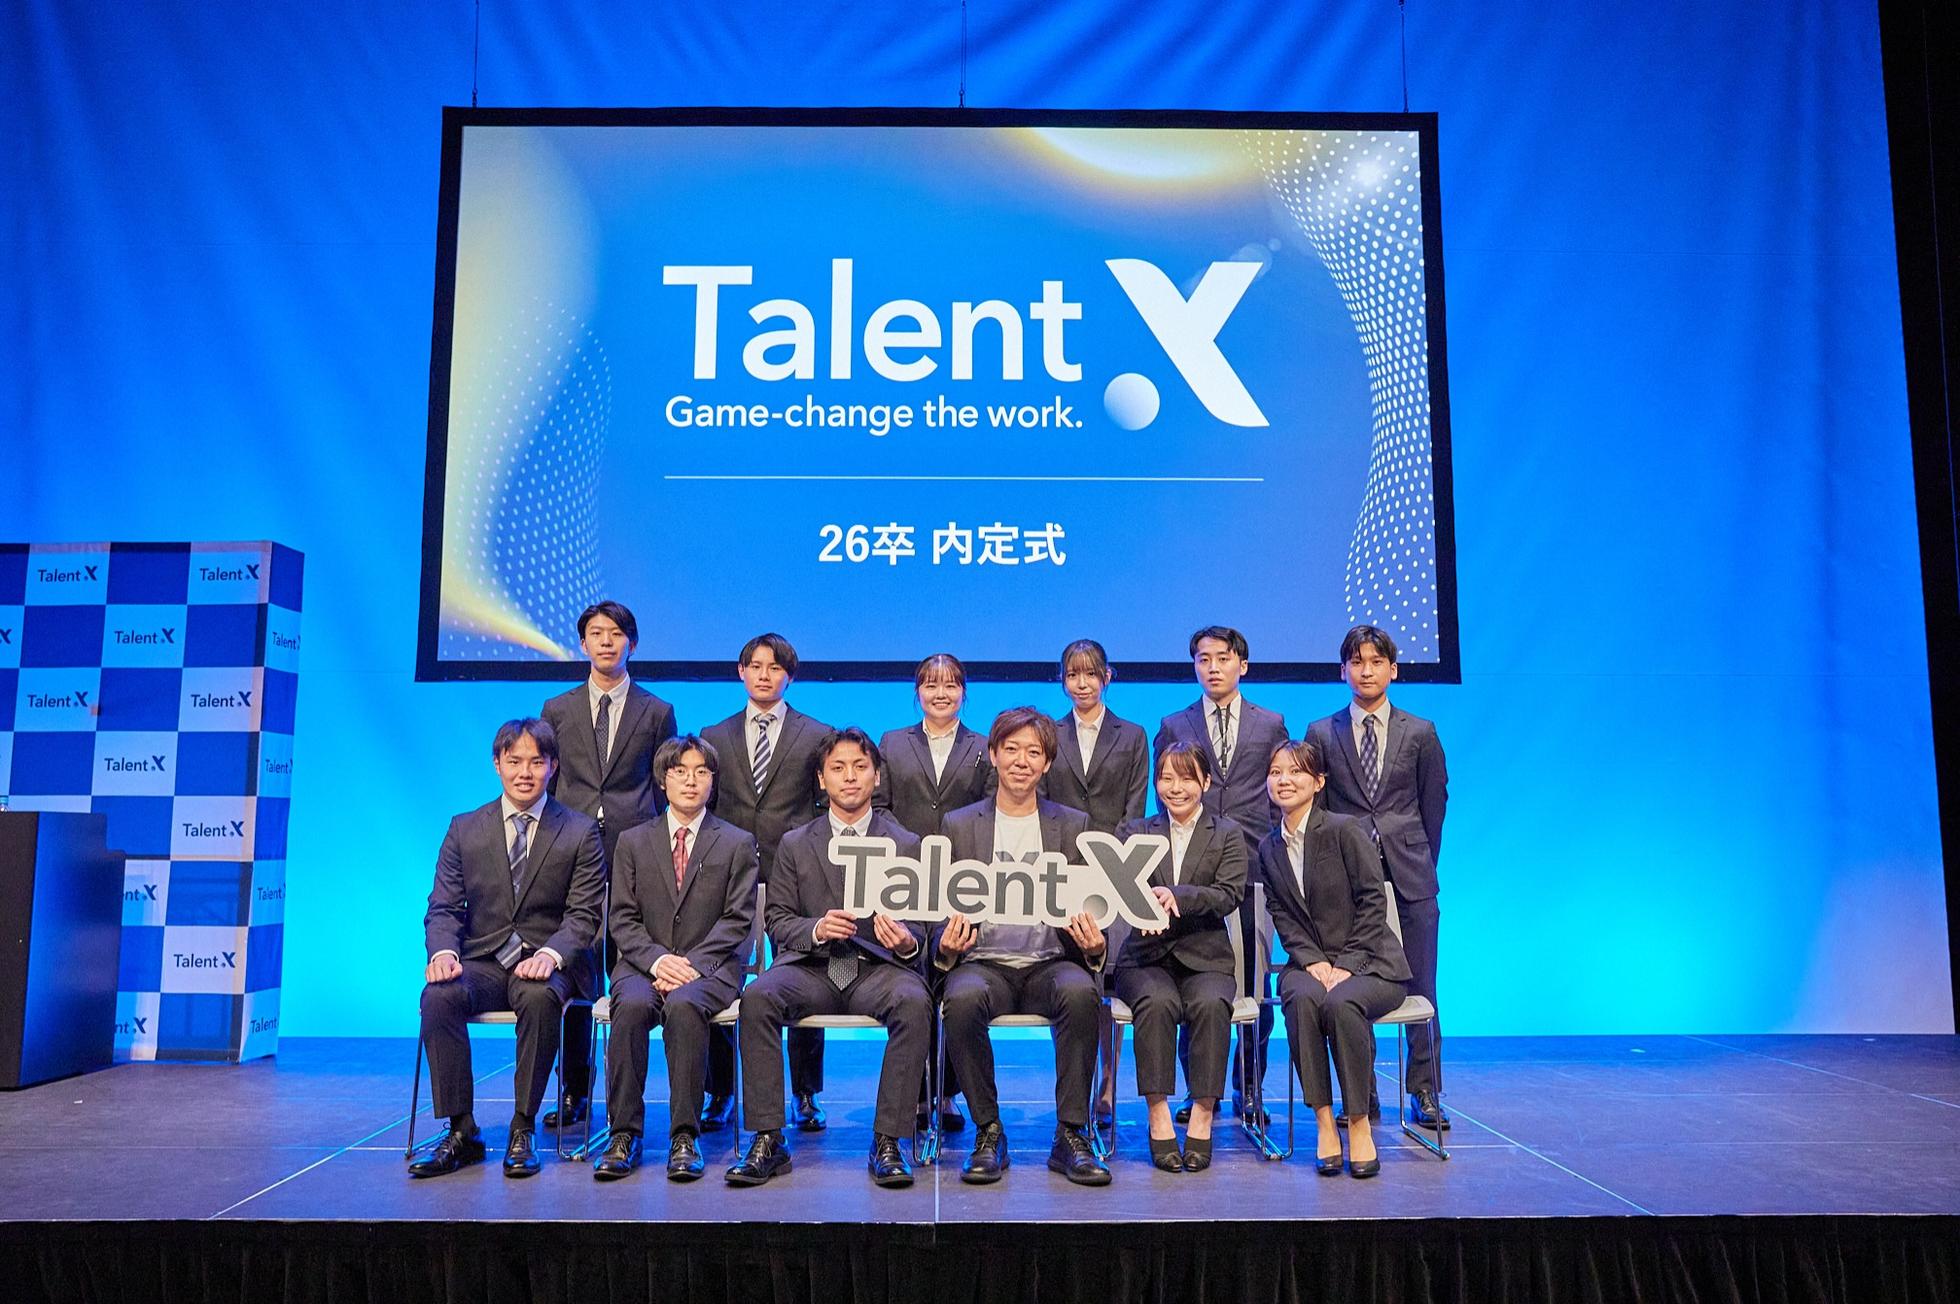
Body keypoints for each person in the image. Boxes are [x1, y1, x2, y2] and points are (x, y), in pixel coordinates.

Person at [727, 728, 933, 1188]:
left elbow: (922, 927)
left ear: (876, 776)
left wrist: (905, 942)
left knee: (915, 1002)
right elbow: (778, 920)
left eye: (860, 767)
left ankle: (889, 1140)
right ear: (822, 779)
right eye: (838, 768)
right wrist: (816, 929)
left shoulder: (907, 844)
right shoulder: (795, 842)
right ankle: (768, 1138)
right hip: (813, 968)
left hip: (877, 969)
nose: (850, 777)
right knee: (757, 998)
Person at [410, 719, 605, 1179]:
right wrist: (443, 954)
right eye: (514, 761)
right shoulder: (464, 829)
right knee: (439, 996)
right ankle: (462, 1130)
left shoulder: (579, 831)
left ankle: (523, 1127)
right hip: (485, 961)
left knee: (539, 997)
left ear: (552, 767)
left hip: (550, 963)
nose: (525, 772)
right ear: (497, 764)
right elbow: (443, 907)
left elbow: (584, 915)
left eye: (536, 762)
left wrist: (551, 955)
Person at [936, 707, 1111, 1187]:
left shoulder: (1073, 824)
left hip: (1049, 962)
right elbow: (936, 907)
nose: (1021, 761)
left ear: (1047, 763)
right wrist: (946, 947)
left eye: (1033, 752)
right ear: (993, 755)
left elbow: (1096, 903)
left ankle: (1071, 1133)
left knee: (1081, 992)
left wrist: (1095, 945)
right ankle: (988, 1130)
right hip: (983, 962)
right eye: (1011, 749)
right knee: (961, 998)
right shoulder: (959, 824)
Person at [590, 736, 759, 1181]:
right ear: (663, 780)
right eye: (680, 771)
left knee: (684, 1006)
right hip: (643, 964)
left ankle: (685, 1134)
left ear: (713, 781)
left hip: (712, 967)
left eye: (701, 772)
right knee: (631, 1007)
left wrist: (691, 965)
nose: (691, 780)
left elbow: (738, 920)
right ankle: (623, 1134)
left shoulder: (737, 842)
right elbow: (622, 917)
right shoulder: (633, 841)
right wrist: (658, 961)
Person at [539, 599, 677, 1129]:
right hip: (570, 849)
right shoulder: (557, 708)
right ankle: (575, 1089)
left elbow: (665, 787)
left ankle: (626, 1097)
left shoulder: (656, 711)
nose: (605, 641)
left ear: (631, 644)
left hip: (633, 850)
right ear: (583, 644)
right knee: (574, 965)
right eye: (596, 633)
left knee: (630, 968)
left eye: (615, 634)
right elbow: (549, 781)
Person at [1305, 624, 1450, 1129]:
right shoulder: (1322, 733)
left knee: (1423, 986)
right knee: (1354, 989)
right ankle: (1361, 1093)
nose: (1366, 671)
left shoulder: (1421, 732)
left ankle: (1425, 1090)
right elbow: (1319, 813)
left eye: (1376, 662)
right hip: (1348, 884)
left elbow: (1433, 806)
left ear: (1393, 669)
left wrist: (1416, 858)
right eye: (1356, 662)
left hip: (1411, 878)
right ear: (1343, 670)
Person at [1154, 625, 1288, 1122]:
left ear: (1242, 665)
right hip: (1192, 878)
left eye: (1223, 658)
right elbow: (1165, 797)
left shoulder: (1270, 723)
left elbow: (1280, 792)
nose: (1213, 667)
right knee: (1195, 981)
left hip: (1253, 872)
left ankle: (1249, 1087)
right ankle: (1197, 1090)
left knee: (1255, 986)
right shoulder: (1174, 723)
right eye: (1203, 659)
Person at [1259, 738, 1410, 1178]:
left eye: (1296, 772)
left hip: (1372, 962)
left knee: (1342, 1003)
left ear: (1319, 782)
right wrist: (1311, 960)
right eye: (1276, 772)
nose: (1284, 780)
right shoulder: (1269, 847)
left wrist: (1346, 963)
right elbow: (1281, 913)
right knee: (1301, 999)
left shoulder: (1345, 830)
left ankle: (1358, 1122)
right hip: (1309, 964)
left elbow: (1372, 901)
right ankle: (1324, 1123)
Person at [700, 633, 832, 1132]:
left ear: (789, 676)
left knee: (805, 974)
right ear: (741, 672)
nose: (763, 675)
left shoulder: (816, 733)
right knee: (718, 972)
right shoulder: (714, 734)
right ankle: (720, 1091)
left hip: (795, 874)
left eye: (774, 668)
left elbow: (822, 809)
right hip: (728, 876)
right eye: (755, 666)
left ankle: (805, 1092)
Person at [873, 652, 994, 1134]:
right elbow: (880, 807)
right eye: (930, 685)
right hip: (906, 874)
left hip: (965, 876)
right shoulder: (892, 742)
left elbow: (989, 811)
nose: (940, 694)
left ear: (964, 692)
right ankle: (917, 1093)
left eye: (950, 685)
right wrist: (910, 849)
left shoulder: (984, 746)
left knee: (953, 977)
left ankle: (946, 1092)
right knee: (913, 977)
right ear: (917, 692)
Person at [1113, 742, 1246, 1172]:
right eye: (1166, 778)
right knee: (1156, 1004)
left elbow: (1228, 894)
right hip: (1145, 957)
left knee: (1210, 1004)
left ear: (1205, 782)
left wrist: (1178, 897)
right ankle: (1158, 1115)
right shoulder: (1135, 831)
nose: (1176, 788)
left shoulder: (1227, 833)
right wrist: (1142, 905)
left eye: (1186, 778)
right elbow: (1119, 885)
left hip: (1206, 955)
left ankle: (1203, 1114)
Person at [1039, 637, 1149, 1124]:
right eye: (1072, 675)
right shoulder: (1048, 732)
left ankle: (1108, 1082)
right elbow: (1041, 803)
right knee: (1068, 979)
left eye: (1090, 674)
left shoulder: (1133, 734)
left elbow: (1135, 808)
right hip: (1062, 872)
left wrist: (1106, 861)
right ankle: (1075, 1082)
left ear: (1107, 677)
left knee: (1108, 979)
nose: (1081, 683)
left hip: (1114, 872)